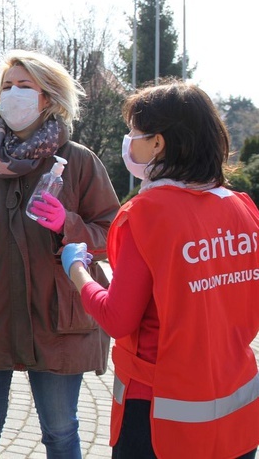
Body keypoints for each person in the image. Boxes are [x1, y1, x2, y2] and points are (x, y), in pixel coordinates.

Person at [62, 80, 259, 459]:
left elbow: (117, 319)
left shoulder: (148, 214)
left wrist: (77, 271)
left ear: (158, 143)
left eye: (134, 132)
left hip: (159, 415)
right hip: (237, 412)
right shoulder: (242, 208)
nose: (129, 141)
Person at [0, 49, 120, 459]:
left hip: (57, 320)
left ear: (48, 97)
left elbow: (113, 234)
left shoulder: (78, 161)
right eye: (7, 86)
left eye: (25, 86)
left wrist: (68, 224)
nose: (13, 94)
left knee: (61, 433)